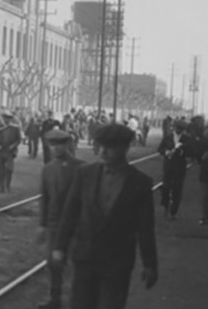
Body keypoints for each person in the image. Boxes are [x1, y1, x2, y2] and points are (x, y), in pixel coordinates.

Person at [52, 124, 158, 309]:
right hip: (85, 257)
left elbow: (145, 228)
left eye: (110, 147)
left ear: (125, 148)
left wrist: (150, 264)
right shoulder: (85, 174)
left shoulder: (140, 183)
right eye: (100, 146)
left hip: (117, 263)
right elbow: (70, 213)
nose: (103, 151)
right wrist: (60, 248)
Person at [37, 129, 86, 309]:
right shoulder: (47, 169)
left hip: (76, 226)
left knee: (76, 264)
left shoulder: (81, 167)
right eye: (52, 144)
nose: (56, 148)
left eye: (60, 144)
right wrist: (42, 224)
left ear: (68, 145)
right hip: (53, 225)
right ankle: (54, 299)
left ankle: (77, 301)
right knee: (52, 264)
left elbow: (86, 200)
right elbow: (45, 198)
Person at [157, 119, 194, 220]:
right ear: (174, 127)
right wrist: (166, 152)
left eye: (181, 129)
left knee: (177, 189)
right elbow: (160, 148)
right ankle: (165, 207)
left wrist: (182, 151)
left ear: (183, 129)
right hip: (168, 165)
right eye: (177, 128)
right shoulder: (168, 137)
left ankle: (173, 212)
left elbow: (191, 152)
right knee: (165, 187)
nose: (178, 130)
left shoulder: (187, 139)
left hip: (180, 166)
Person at [0, 110, 22, 193]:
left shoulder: (15, 128)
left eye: (7, 119)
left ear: (10, 119)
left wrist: (13, 146)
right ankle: (1, 188)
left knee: (9, 170)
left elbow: (19, 139)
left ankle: (7, 186)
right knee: (1, 171)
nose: (5, 120)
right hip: (1, 151)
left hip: (10, 152)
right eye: (4, 118)